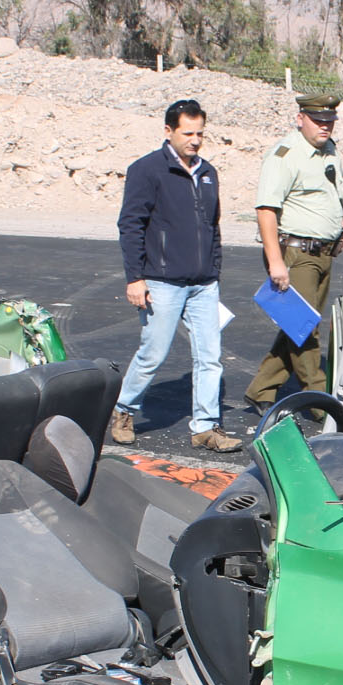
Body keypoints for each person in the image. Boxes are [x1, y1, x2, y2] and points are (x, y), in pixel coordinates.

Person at [110, 98, 242, 453]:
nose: (195, 140)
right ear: (169, 131)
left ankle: (205, 427)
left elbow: (212, 226)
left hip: (202, 284)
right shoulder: (148, 170)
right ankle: (123, 410)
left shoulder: (209, 173)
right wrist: (135, 278)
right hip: (161, 282)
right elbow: (131, 225)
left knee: (210, 356)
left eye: (200, 133)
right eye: (188, 133)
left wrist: (213, 270)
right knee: (153, 353)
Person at [243, 93, 343, 421]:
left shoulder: (329, 150)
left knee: (298, 324)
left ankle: (262, 388)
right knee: (304, 328)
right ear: (300, 118)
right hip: (296, 253)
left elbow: (336, 194)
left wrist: (342, 227)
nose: (325, 126)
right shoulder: (285, 155)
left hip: (323, 253)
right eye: (318, 120)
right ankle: (319, 400)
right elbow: (266, 210)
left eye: (330, 121)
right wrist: (275, 261)